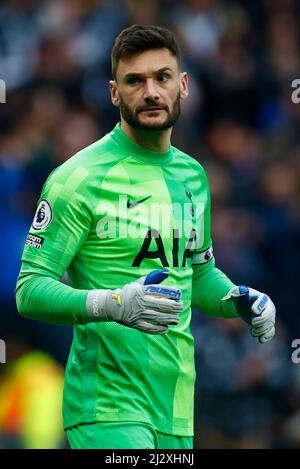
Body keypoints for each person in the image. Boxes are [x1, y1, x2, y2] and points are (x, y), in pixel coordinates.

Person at [15, 25, 276, 450]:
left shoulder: (193, 176)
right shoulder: (78, 178)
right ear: (115, 93)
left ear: (184, 85)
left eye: (162, 77)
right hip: (107, 406)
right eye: (135, 81)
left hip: (175, 405)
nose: (151, 91)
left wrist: (238, 299)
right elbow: (29, 291)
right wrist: (112, 304)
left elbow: (197, 274)